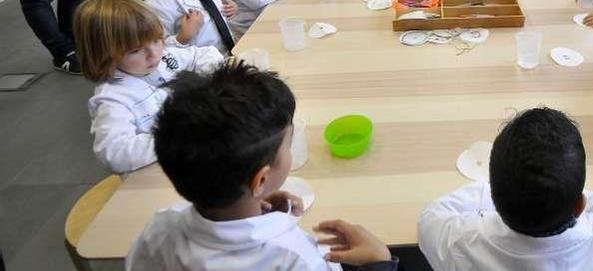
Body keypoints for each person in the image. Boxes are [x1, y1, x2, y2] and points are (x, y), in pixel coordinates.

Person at [126, 61, 399, 271]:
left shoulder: (160, 229)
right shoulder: (296, 256)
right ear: (260, 180)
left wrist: (256, 207)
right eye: (288, 144)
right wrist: (379, 262)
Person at [418, 107, 593, 270]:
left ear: (494, 197)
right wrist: (559, 186)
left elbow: (430, 217)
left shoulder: (461, 243)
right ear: (580, 206)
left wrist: (488, 189)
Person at [73, 0, 224, 173]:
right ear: (104, 54)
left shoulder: (162, 58)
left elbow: (206, 54)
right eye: (135, 50)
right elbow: (114, 153)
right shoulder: (113, 99)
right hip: (161, 174)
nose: (154, 53)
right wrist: (179, 137)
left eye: (156, 40)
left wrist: (208, 85)